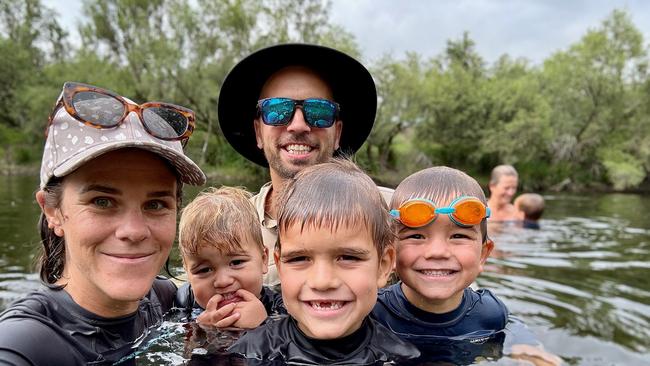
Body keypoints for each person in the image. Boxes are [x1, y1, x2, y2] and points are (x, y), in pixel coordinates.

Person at [0, 81, 206, 365]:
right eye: (102, 202)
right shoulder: (21, 345)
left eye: (156, 204)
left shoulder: (168, 300)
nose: (134, 231)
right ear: (52, 211)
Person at [218, 43, 392, 285]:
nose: (298, 125)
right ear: (258, 132)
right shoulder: (225, 228)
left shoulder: (398, 213)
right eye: (277, 110)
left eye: (318, 111)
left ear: (338, 133)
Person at [228, 159, 419, 365]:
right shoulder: (250, 352)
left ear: (383, 266)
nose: (322, 281)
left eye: (348, 257)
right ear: (280, 266)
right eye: (299, 259)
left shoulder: (399, 357)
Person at [372, 166, 560, 365]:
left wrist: (524, 343)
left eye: (458, 236)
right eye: (416, 236)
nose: (438, 252)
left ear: (483, 255)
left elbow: (513, 327)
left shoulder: (490, 314)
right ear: (390, 255)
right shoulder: (374, 313)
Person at [175, 186, 284, 329]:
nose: (223, 282)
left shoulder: (282, 310)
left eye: (236, 262)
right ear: (187, 272)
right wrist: (200, 333)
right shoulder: (183, 302)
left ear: (263, 259)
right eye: (204, 270)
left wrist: (263, 328)